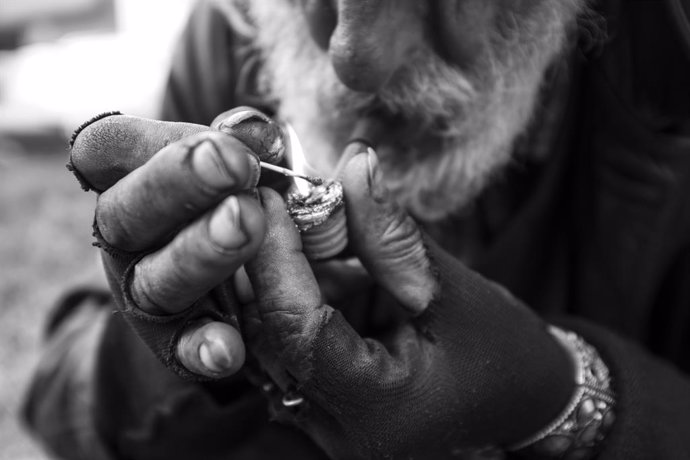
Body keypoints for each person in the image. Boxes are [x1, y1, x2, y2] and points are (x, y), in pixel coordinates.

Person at [22, 0, 690, 458]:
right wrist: (184, 336)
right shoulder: (236, 33)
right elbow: (57, 400)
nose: (352, 59)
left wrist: (569, 399)